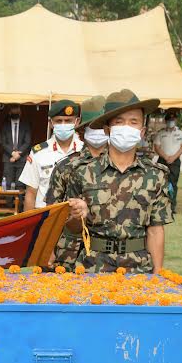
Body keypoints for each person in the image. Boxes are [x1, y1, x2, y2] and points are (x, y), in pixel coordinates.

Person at [63, 89, 172, 274]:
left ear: (142, 132)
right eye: (119, 122)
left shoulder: (155, 175)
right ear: (107, 130)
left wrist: (158, 274)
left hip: (139, 269)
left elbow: (155, 229)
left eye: (133, 122)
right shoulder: (82, 171)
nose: (126, 127)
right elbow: (71, 228)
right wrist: (77, 216)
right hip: (93, 267)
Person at [45, 95, 107, 267]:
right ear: (82, 129)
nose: (98, 130)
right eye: (93, 125)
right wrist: (48, 250)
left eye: (102, 125)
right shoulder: (66, 166)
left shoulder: (123, 167)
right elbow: (51, 214)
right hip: (70, 254)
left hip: (108, 256)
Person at [20, 100, 82, 211]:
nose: (63, 125)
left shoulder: (84, 150)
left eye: (68, 121)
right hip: (45, 214)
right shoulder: (39, 153)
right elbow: (30, 194)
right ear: (51, 123)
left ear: (77, 122)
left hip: (75, 215)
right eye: (58, 121)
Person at [153, 111, 182, 214]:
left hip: (175, 161)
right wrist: (166, 157)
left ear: (176, 120)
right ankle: (160, 205)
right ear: (165, 121)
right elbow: (157, 147)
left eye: (172, 120)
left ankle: (172, 206)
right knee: (160, 183)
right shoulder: (161, 133)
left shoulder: (181, 133)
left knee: (173, 184)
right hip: (162, 160)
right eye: (169, 120)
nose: (171, 122)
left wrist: (173, 157)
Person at [0, 104, 31, 188]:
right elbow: (3, 142)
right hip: (8, 159)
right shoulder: (5, 125)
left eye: (17, 110)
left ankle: (19, 198)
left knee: (20, 185)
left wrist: (17, 155)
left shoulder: (25, 125)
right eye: (13, 110)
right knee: (7, 185)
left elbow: (27, 142)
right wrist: (12, 153)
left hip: (22, 159)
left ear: (20, 112)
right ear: (9, 112)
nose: (15, 112)